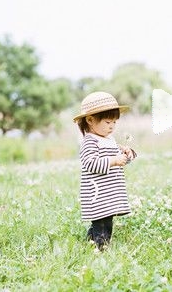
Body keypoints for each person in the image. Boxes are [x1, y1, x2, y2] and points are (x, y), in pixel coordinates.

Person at [73, 91, 136, 250]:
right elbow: (90, 163)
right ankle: (101, 247)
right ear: (90, 120)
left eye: (115, 122)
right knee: (101, 220)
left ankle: (92, 240)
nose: (112, 126)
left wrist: (127, 154)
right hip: (98, 192)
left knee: (107, 219)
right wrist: (113, 161)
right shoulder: (90, 142)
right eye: (108, 122)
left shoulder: (109, 140)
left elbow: (119, 160)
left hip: (109, 191)